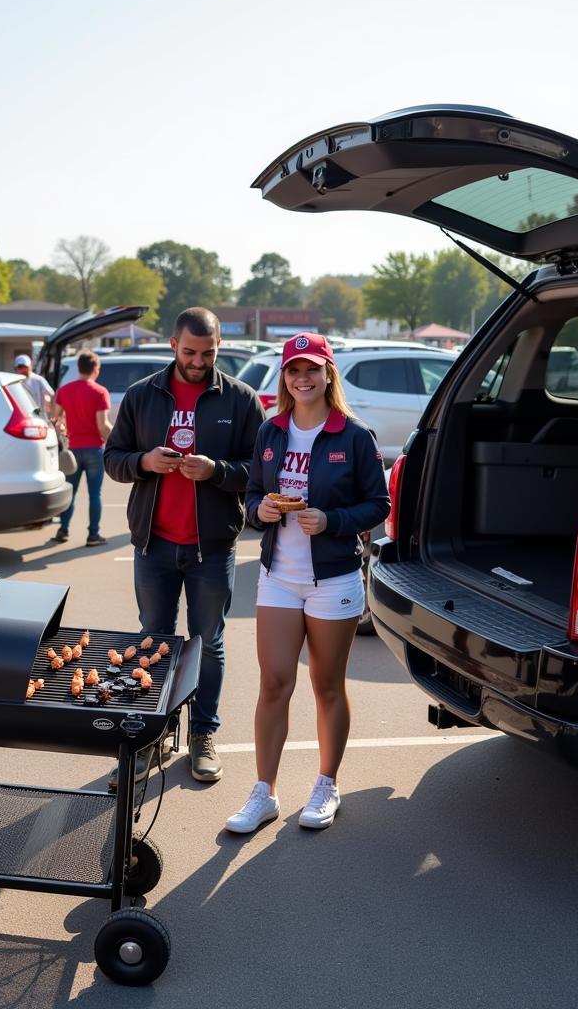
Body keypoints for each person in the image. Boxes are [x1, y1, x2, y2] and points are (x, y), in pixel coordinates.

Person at [225, 333, 389, 835]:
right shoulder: (271, 431)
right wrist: (261, 509)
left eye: (312, 369)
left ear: (328, 374)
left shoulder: (354, 435)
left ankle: (326, 783)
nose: (303, 379)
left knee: (326, 687)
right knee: (274, 682)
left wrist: (333, 519)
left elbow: (378, 504)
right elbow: (252, 492)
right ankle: (264, 792)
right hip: (278, 577)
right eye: (294, 370)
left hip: (333, 578)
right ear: (285, 378)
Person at [105, 307, 265, 785]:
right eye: (190, 352)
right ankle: (151, 735)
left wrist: (216, 471)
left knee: (207, 644)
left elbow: (259, 471)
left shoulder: (240, 399)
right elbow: (113, 459)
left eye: (209, 353)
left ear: (218, 348)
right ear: (173, 345)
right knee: (152, 641)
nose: (198, 362)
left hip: (211, 547)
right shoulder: (141, 395)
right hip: (154, 544)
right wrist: (145, 461)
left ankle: (202, 735)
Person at [52, 350, 112, 546]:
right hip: (95, 448)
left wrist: (62, 428)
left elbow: (55, 419)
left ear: (79, 368)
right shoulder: (100, 391)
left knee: (70, 491)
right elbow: (102, 425)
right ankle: (93, 535)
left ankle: (63, 529)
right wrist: (118, 442)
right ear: (96, 369)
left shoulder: (64, 390)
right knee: (95, 494)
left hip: (73, 449)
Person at [14, 353, 54, 419]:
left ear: (30, 366)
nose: (23, 370)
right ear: (16, 368)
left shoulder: (38, 380)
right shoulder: (13, 381)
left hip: (39, 416)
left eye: (25, 367)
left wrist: (52, 412)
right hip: (21, 416)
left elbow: (51, 394)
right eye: (20, 367)